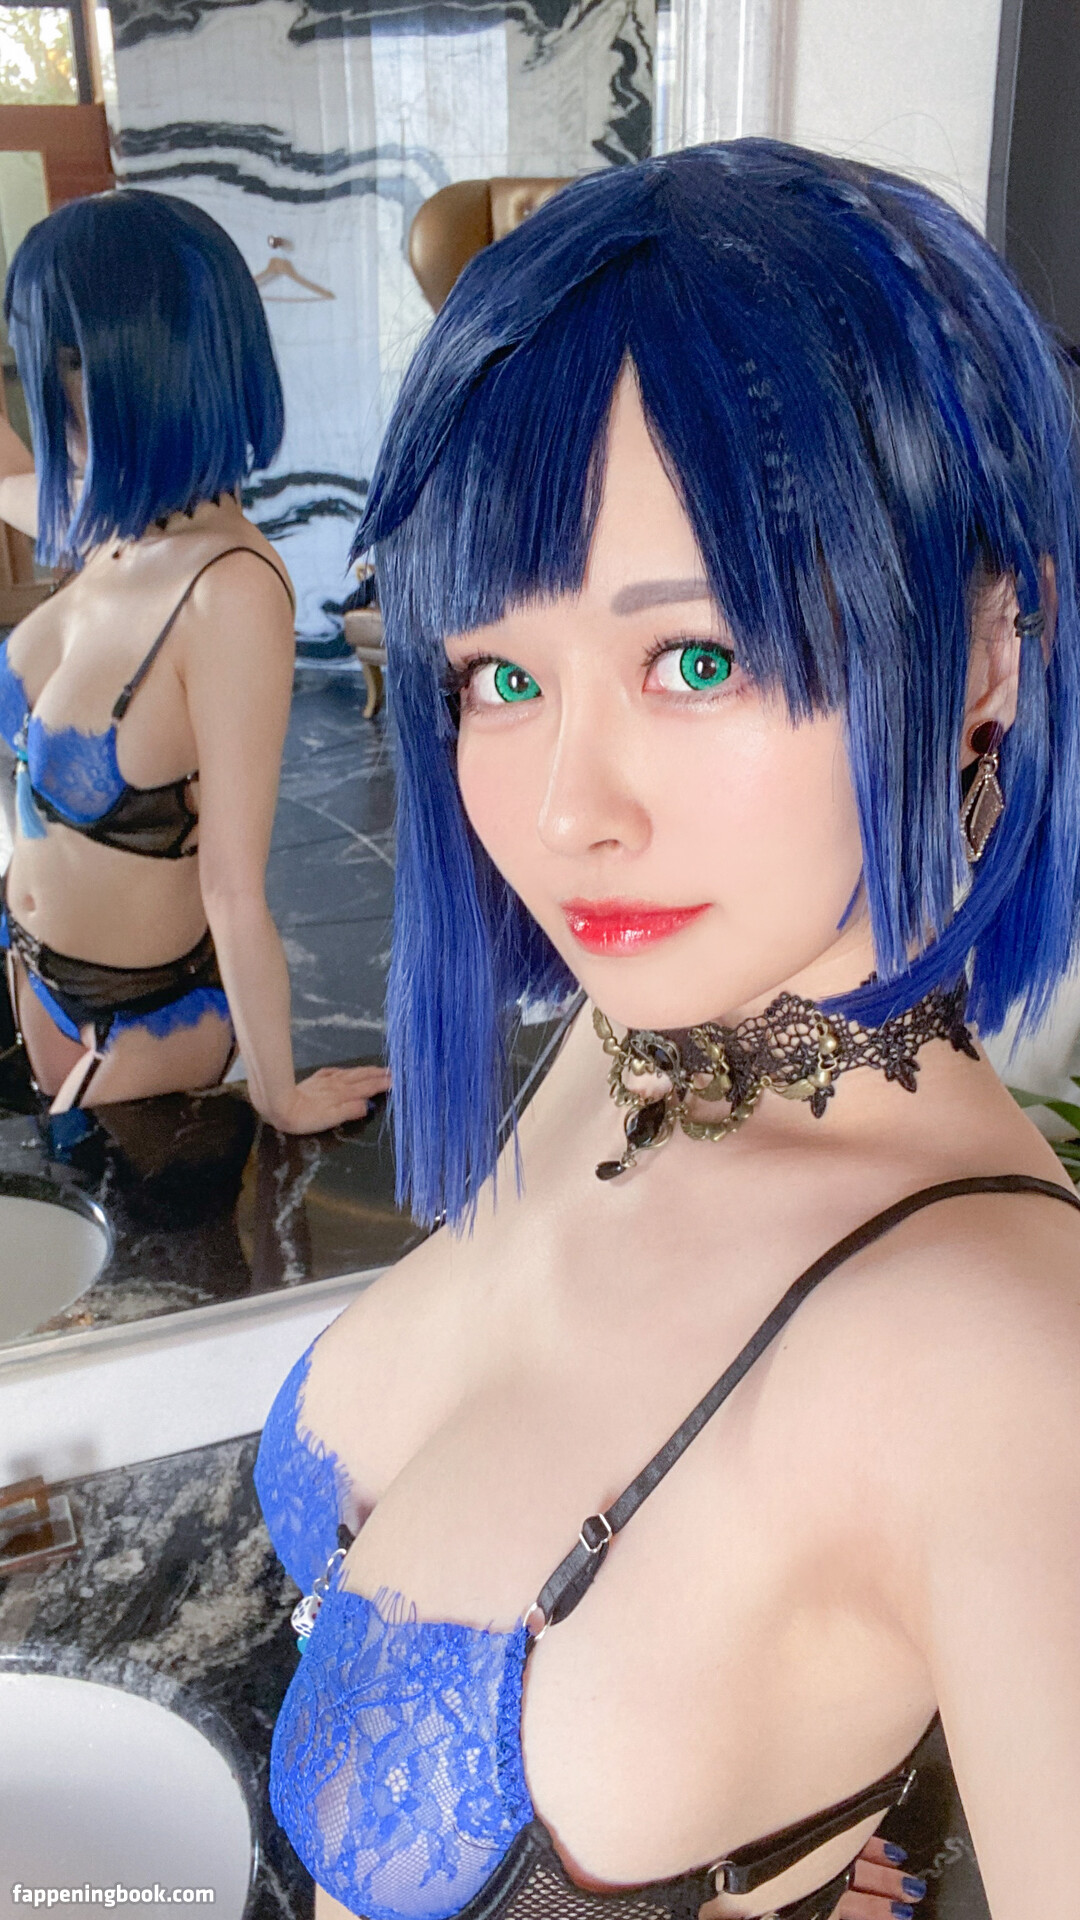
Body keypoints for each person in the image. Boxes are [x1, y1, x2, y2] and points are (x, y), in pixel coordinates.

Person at [254, 141, 1080, 1920]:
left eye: (697, 659)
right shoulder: (622, 1037)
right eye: (499, 677)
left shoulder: (1009, 1367)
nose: (569, 815)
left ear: (991, 649)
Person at [0, 189, 388, 1129]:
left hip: (140, 1024)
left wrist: (279, 1097)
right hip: (28, 976)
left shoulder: (229, 592)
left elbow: (234, 889)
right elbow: (10, 477)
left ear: (147, 364)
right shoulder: (106, 524)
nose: (39, 386)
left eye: (62, 359)